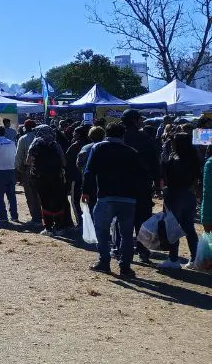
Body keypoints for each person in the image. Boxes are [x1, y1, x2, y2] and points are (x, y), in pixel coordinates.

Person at [82, 122, 146, 278]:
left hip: (105, 196)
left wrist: (85, 191)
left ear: (106, 134)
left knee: (102, 231)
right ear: (122, 135)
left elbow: (89, 171)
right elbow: (142, 175)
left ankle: (104, 262)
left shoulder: (98, 148)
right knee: (126, 234)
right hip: (128, 198)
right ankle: (125, 267)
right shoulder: (132, 152)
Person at [121, 109, 159, 264]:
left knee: (122, 219)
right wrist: (157, 182)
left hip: (121, 185)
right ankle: (143, 251)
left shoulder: (119, 137)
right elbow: (154, 162)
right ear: (135, 120)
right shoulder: (145, 138)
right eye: (140, 119)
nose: (142, 122)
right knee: (143, 219)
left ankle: (122, 249)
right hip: (142, 185)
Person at [158, 132, 200, 268]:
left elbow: (166, 177)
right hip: (189, 195)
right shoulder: (194, 157)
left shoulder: (173, 159)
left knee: (172, 227)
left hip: (175, 196)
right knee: (189, 228)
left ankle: (173, 259)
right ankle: (195, 258)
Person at [26, 124, 69, 235]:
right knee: (58, 201)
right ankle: (59, 227)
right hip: (56, 177)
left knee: (45, 202)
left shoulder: (35, 143)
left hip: (39, 178)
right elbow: (64, 162)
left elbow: (28, 162)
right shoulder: (55, 144)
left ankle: (48, 228)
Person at [15, 120, 44, 230]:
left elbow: (19, 156)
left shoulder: (23, 139)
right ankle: (47, 217)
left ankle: (36, 219)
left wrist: (19, 170)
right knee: (43, 195)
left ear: (25, 128)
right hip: (45, 170)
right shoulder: (44, 137)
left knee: (31, 195)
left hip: (29, 170)